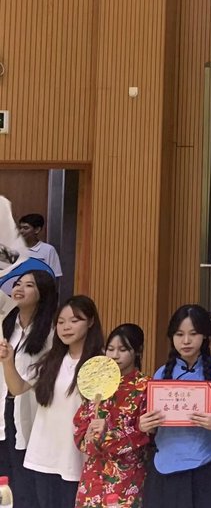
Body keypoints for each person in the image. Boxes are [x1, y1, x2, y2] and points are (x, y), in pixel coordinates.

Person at [139, 304, 211, 508]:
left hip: (207, 467)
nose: (186, 341)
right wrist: (146, 426)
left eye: (193, 334)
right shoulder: (160, 374)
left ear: (205, 335)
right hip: (165, 466)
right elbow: (153, 426)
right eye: (179, 334)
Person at [10, 296, 103, 507]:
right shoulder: (50, 360)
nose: (66, 327)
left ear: (90, 322)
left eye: (74, 320)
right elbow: (17, 388)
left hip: (76, 457)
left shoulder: (100, 364)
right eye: (60, 322)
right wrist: (7, 362)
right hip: (43, 455)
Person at [73, 323, 150, 507]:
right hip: (93, 477)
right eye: (110, 349)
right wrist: (88, 435)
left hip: (127, 477)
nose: (115, 355)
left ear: (137, 351)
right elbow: (80, 427)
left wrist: (108, 432)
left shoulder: (145, 386)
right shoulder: (96, 383)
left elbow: (144, 433)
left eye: (123, 350)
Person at [0, 269, 58, 508]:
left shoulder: (51, 332)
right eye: (18, 283)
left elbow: (30, 382)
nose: (20, 288)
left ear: (43, 293)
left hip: (30, 412)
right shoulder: (7, 326)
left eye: (29, 285)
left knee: (25, 484)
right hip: (3, 408)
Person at [17, 214, 63, 279]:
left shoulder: (48, 250)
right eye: (20, 228)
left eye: (26, 228)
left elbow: (55, 276)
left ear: (37, 230)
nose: (21, 231)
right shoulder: (14, 249)